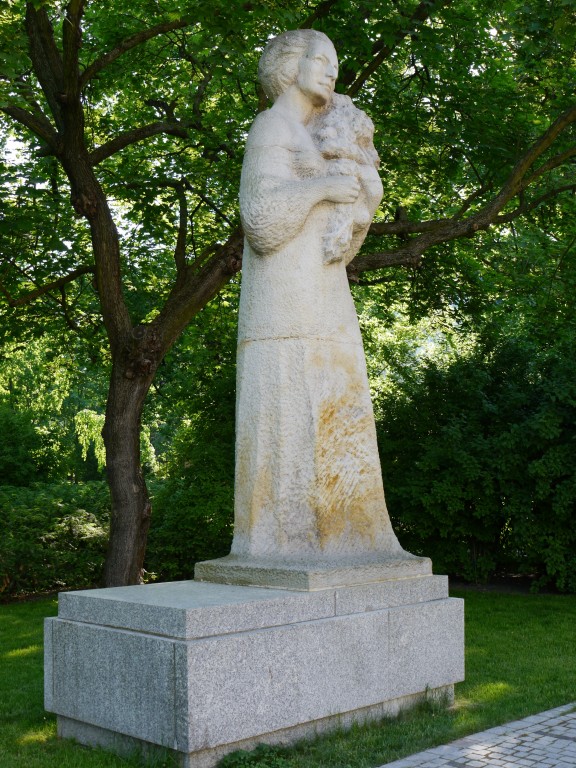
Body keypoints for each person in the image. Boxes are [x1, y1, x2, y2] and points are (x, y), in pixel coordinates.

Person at [231, 29, 405, 562]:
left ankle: (347, 539)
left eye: (336, 62)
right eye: (321, 60)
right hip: (284, 303)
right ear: (291, 66)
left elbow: (339, 248)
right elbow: (261, 221)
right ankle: (284, 543)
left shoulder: (314, 133)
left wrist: (364, 202)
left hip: (323, 294)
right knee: (289, 407)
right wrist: (323, 188)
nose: (332, 70)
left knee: (335, 399)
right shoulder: (272, 126)